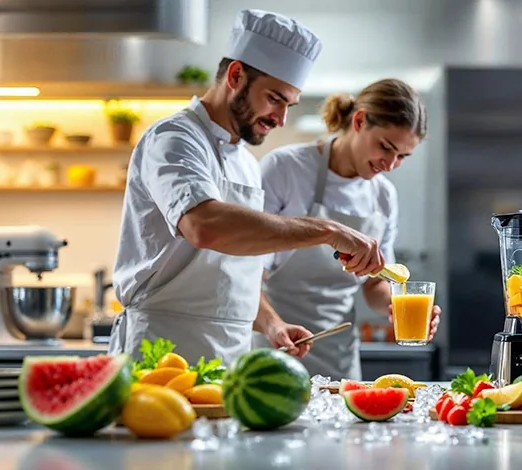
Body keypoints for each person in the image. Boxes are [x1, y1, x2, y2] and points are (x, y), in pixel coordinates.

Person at [108, 10, 386, 366]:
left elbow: (234, 274)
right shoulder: (174, 139)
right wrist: (327, 232)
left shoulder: (247, 164)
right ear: (236, 75)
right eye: (274, 98)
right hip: (162, 351)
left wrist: (272, 324)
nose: (281, 118)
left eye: (289, 104)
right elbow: (204, 226)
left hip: (231, 358)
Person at [256, 79, 441, 380]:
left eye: (403, 156)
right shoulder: (286, 168)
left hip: (339, 357)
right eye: (386, 147)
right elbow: (245, 274)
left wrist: (395, 308)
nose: (391, 164)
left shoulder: (383, 195)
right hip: (276, 347)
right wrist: (273, 326)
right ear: (358, 121)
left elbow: (374, 284)